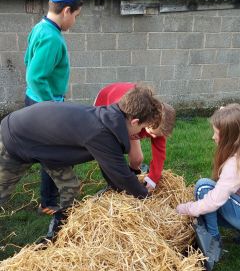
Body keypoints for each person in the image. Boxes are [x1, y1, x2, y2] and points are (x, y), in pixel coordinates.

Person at [0, 86, 162, 242]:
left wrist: (127, 186)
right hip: (15, 137)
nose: (140, 132)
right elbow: (121, 177)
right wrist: (147, 199)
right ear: (134, 122)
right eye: (142, 127)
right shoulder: (102, 132)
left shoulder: (109, 118)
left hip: (50, 146)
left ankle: (62, 226)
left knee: (70, 186)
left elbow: (112, 170)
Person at [176, 103, 240, 270]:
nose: (213, 137)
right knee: (204, 209)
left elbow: (214, 200)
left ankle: (214, 240)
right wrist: (225, 114)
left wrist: (186, 208)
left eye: (216, 133)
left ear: (229, 137)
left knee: (203, 188)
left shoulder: (236, 163)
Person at [24, 0, 83, 216]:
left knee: (51, 152)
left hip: (36, 101)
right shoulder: (52, 38)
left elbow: (29, 62)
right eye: (76, 16)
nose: (75, 21)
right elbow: (35, 76)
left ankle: (50, 198)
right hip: (45, 105)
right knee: (54, 154)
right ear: (67, 11)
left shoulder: (40, 28)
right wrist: (51, 105)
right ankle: (49, 202)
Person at [94, 82, 176, 190]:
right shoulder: (130, 117)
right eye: (151, 134)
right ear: (149, 121)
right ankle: (116, 185)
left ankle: (133, 178)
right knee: (112, 154)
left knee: (137, 159)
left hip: (132, 124)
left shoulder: (158, 128)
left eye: (157, 136)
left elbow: (159, 155)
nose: (154, 138)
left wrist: (153, 179)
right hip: (106, 106)